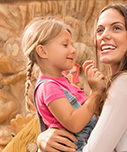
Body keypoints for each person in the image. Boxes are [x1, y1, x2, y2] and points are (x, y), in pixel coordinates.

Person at [37, 4, 127, 152]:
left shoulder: (125, 83)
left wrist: (42, 148)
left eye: (116, 28)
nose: (104, 35)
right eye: (100, 30)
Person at [21, 18, 105, 152]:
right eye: (65, 45)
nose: (73, 50)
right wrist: (96, 93)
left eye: (72, 45)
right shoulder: (48, 87)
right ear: (42, 52)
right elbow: (74, 123)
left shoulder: (64, 83)